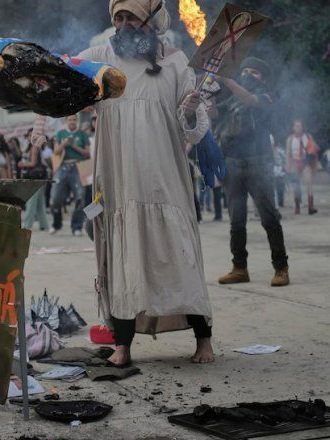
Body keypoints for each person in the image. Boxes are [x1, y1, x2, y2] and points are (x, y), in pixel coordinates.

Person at [75, 0, 214, 365]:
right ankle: (122, 346)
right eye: (117, 18)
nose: (122, 25)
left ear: (151, 21)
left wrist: (188, 109)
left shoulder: (176, 61)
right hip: (119, 182)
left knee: (179, 254)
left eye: (130, 17)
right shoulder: (99, 57)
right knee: (124, 260)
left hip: (164, 177)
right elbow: (63, 80)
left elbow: (195, 129)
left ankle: (204, 340)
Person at [209, 57, 290, 287]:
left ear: (263, 78)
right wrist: (209, 93)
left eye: (254, 72)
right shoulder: (233, 99)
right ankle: (239, 267)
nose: (247, 75)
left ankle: (281, 267)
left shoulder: (269, 96)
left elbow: (252, 100)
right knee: (236, 219)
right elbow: (214, 114)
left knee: (269, 217)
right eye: (244, 71)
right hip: (233, 162)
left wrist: (226, 79)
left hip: (259, 161)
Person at [50, 115, 89, 236]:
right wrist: (65, 144)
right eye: (70, 120)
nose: (72, 122)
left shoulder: (82, 134)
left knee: (80, 197)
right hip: (62, 167)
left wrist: (73, 146)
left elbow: (87, 153)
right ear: (66, 121)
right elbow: (56, 151)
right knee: (55, 197)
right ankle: (56, 224)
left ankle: (76, 227)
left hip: (78, 167)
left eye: (74, 120)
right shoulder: (60, 134)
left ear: (77, 121)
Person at [285, 119, 319, 215]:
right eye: (296, 126)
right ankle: (297, 206)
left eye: (299, 126)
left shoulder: (308, 137)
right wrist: (287, 165)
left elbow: (315, 151)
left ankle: (310, 206)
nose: (298, 128)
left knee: (309, 183)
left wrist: (315, 165)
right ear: (293, 128)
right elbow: (288, 154)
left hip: (305, 162)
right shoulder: (290, 139)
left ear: (303, 127)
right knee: (296, 186)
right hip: (295, 163)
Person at [17, 142, 49, 231]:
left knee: (31, 202)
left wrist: (22, 164)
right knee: (40, 203)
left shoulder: (34, 147)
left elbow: (33, 163)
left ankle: (27, 224)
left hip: (35, 178)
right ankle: (44, 224)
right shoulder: (37, 147)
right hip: (40, 177)